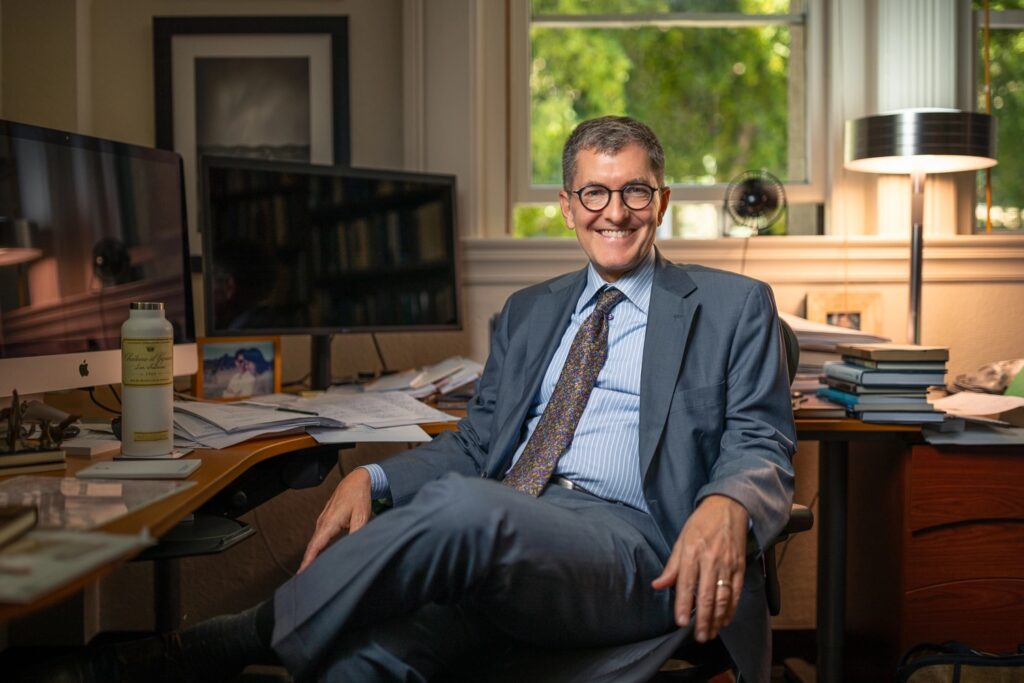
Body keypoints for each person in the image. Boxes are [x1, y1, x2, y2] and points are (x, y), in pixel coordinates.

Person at [42, 116, 795, 683]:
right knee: (358, 663)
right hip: (494, 543)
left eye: (634, 190)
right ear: (568, 206)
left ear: (659, 200)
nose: (616, 211)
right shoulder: (533, 309)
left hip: (635, 550)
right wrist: (371, 478)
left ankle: (231, 638)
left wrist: (729, 502)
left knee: (467, 506)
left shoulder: (733, 305)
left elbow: (760, 444)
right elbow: (477, 443)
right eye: (595, 192)